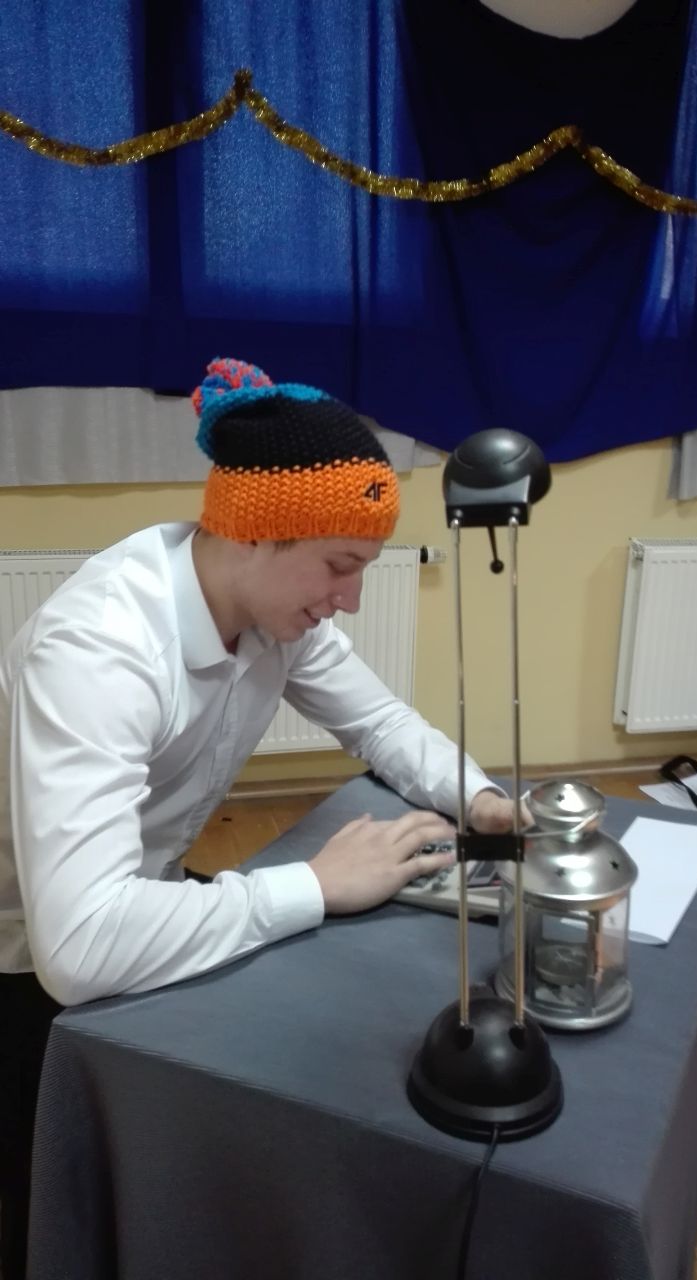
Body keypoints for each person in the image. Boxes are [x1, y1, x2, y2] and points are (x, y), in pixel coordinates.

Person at [0, 356, 517, 1279]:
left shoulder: (268, 611)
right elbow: (75, 952)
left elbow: (381, 723)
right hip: (25, 951)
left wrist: (478, 796)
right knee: (58, 1204)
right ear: (254, 535)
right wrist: (313, 885)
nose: (350, 598)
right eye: (340, 566)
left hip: (137, 898)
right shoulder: (101, 651)